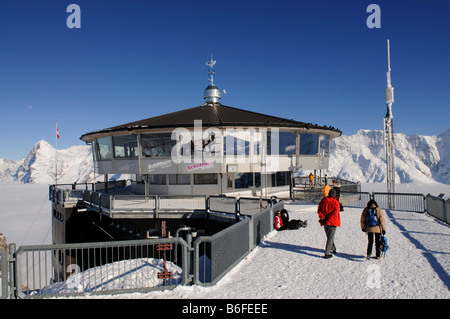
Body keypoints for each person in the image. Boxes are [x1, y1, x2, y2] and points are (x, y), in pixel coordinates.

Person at [317, 188, 341, 259]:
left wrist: (323, 217)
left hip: (325, 222)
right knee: (330, 237)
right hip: (332, 222)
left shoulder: (323, 200)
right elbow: (335, 212)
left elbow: (319, 211)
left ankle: (333, 248)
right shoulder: (335, 202)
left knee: (329, 236)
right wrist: (328, 218)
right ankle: (327, 253)